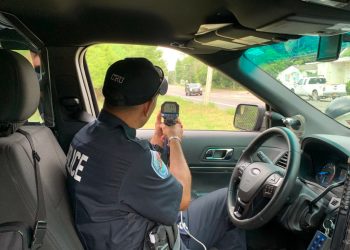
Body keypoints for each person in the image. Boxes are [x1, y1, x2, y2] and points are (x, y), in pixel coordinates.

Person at [66, 57, 246, 250]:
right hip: (155, 241)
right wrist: (175, 140)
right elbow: (183, 198)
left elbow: (127, 178)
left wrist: (156, 145)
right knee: (230, 202)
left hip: (117, 233)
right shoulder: (132, 156)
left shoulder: (85, 136)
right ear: (147, 106)